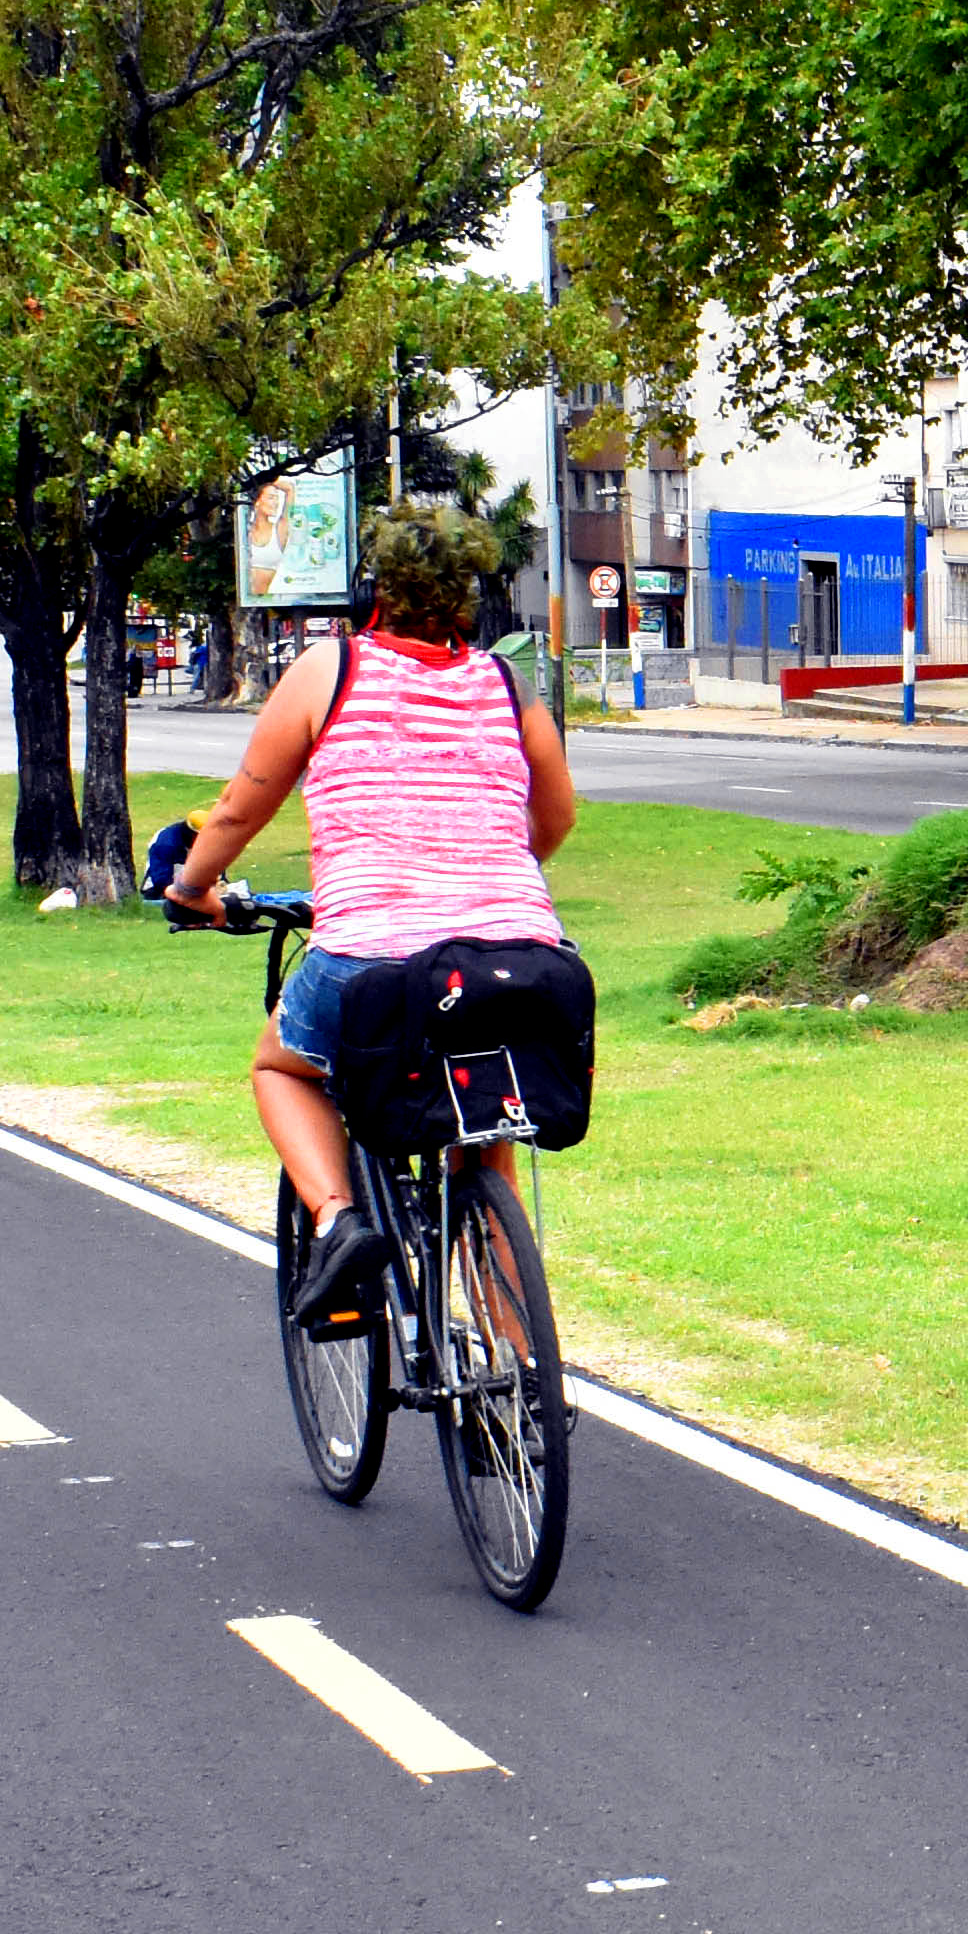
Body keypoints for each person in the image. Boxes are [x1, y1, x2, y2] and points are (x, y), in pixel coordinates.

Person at [155, 504, 576, 1325]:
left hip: (372, 956)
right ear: (467, 595)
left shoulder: (328, 668)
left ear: (374, 587)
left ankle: (338, 1221)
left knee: (281, 1064)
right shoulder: (505, 683)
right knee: (481, 1131)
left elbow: (241, 811)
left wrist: (189, 886)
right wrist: (480, 874)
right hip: (516, 954)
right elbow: (554, 817)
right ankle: (521, 1382)